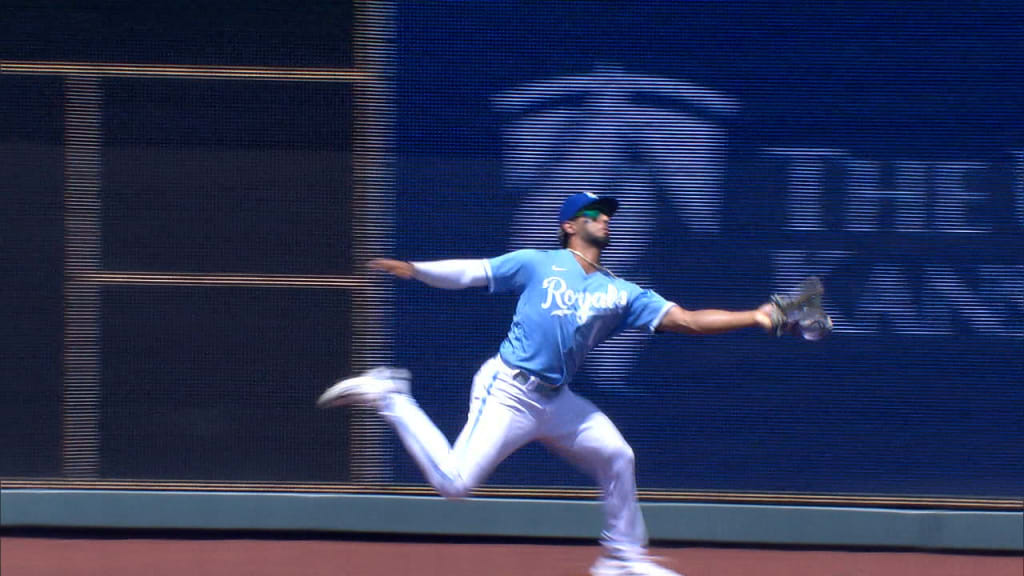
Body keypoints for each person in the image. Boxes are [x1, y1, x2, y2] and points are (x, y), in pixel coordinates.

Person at [318, 192, 777, 576]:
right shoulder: (539, 263)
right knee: (454, 484)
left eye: (607, 214)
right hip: (508, 391)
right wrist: (418, 269)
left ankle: (621, 558)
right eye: (593, 213)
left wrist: (755, 316)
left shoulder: (622, 291)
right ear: (569, 226)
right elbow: (474, 272)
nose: (604, 219)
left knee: (618, 456)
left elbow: (689, 320)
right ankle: (393, 397)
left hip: (557, 402)